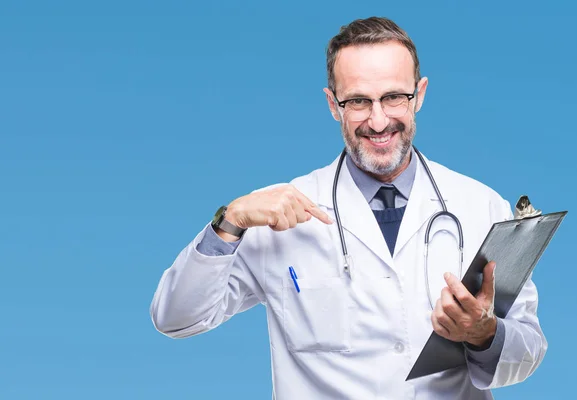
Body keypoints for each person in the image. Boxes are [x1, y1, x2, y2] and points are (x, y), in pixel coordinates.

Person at [150, 16, 547, 399]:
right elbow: (176, 318)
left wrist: (484, 334)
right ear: (333, 105)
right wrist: (230, 222)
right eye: (358, 101)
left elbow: (529, 349)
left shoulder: (480, 206)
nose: (377, 122)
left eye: (393, 97)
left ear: (420, 95)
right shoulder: (277, 212)